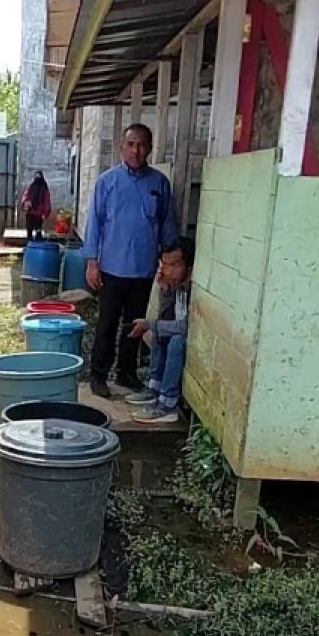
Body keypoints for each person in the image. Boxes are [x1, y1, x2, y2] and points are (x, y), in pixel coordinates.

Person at [83, 123, 179, 398]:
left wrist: (168, 265)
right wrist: (92, 261)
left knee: (134, 325)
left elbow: (167, 226)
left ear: (149, 147)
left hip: (144, 269)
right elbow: (95, 225)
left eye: (142, 145)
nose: (136, 150)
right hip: (111, 268)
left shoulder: (159, 184)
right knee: (107, 323)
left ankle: (126, 372)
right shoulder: (107, 182)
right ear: (122, 147)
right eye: (131, 144)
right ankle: (98, 375)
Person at [126, 243, 193, 424]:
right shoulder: (177, 285)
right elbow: (167, 317)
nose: (168, 271)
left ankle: (167, 405)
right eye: (165, 265)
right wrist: (165, 291)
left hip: (191, 341)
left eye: (175, 265)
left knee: (175, 340)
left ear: (189, 266)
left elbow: (185, 327)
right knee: (160, 332)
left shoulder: (192, 288)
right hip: (179, 331)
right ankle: (154, 389)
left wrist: (150, 324)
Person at [21, 171, 51, 241]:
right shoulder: (31, 186)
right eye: (36, 176)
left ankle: (38, 246)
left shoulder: (44, 188)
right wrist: (25, 203)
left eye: (38, 176)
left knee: (38, 230)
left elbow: (46, 201)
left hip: (39, 214)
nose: (37, 178)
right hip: (30, 212)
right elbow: (26, 195)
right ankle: (29, 245)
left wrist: (45, 213)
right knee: (29, 229)